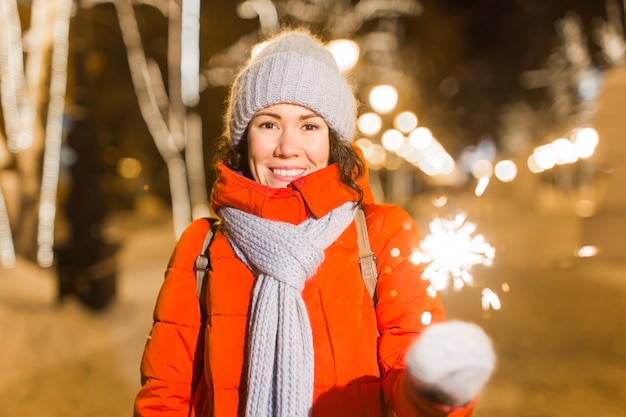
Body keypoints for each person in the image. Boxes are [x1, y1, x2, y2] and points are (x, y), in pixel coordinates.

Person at [133, 28, 495, 417]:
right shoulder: (201, 246)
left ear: (332, 140)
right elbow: (165, 395)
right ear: (244, 137)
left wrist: (437, 386)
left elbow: (405, 376)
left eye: (309, 126)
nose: (288, 147)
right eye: (268, 124)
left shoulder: (382, 234)